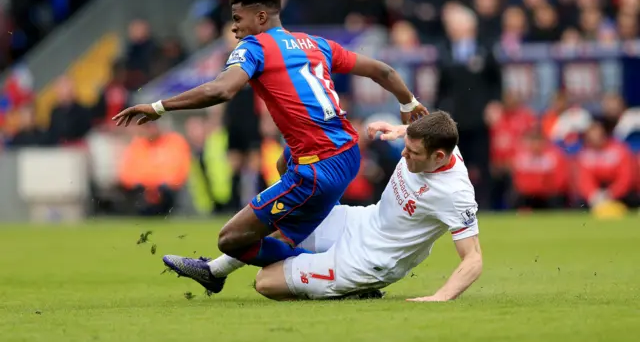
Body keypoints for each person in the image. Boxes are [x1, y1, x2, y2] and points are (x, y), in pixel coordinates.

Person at [113, 0, 427, 294]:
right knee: (282, 171)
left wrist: (159, 106)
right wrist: (408, 103)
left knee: (232, 240)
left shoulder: (255, 47)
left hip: (319, 169)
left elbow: (221, 89)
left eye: (238, 19)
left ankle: (343, 275)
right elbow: (383, 71)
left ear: (261, 18)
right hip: (346, 152)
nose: (234, 27)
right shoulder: (315, 43)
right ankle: (216, 270)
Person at [168, 111, 482, 301]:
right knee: (291, 219)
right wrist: (399, 130)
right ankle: (214, 271)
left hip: (370, 260)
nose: (403, 155)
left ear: (439, 157)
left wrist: (440, 297)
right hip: (361, 221)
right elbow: (421, 130)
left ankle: (352, 286)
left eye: (412, 152)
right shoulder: (430, 142)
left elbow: (473, 259)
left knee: (266, 282)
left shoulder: (454, 192)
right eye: (406, 146)